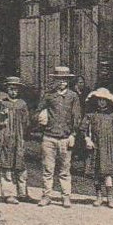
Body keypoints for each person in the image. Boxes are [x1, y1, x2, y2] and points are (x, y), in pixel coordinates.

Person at [38, 66, 82, 208]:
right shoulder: (48, 95)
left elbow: (77, 117)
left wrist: (73, 135)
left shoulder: (73, 96)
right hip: (49, 137)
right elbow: (37, 112)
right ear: (55, 80)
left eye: (65, 80)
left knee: (64, 170)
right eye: (59, 80)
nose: (62, 82)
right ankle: (47, 195)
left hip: (65, 137)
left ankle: (66, 196)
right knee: (48, 169)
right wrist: (41, 117)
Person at [0, 77, 31, 203]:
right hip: (6, 138)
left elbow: (27, 122)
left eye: (15, 89)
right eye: (11, 89)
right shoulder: (1, 103)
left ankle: (23, 193)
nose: (13, 92)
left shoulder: (22, 104)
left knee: (21, 166)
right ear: (7, 89)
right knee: (6, 166)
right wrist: (0, 122)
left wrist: (25, 135)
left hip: (19, 139)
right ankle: (8, 194)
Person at [83, 88, 113, 208]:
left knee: (107, 172)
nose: (101, 103)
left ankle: (110, 197)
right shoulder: (91, 115)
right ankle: (99, 196)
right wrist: (87, 139)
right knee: (96, 173)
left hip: (108, 147)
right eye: (99, 100)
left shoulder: (112, 116)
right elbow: (83, 129)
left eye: (104, 100)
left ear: (108, 101)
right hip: (95, 146)